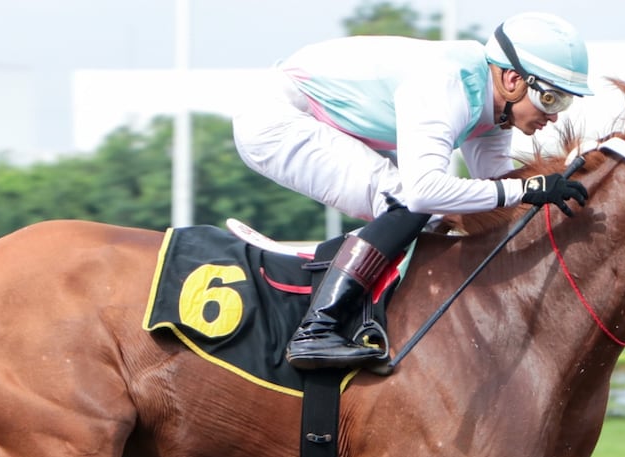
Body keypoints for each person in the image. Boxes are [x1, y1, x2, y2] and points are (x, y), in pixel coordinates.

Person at [232, 12, 593, 370]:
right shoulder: (447, 83)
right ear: (513, 79)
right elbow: (425, 193)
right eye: (551, 99)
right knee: (409, 201)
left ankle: (377, 305)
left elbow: (496, 193)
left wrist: (564, 178)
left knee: (442, 209)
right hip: (277, 120)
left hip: (323, 119)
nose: (555, 116)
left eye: (566, 102)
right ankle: (316, 330)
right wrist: (526, 189)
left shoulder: (496, 108)